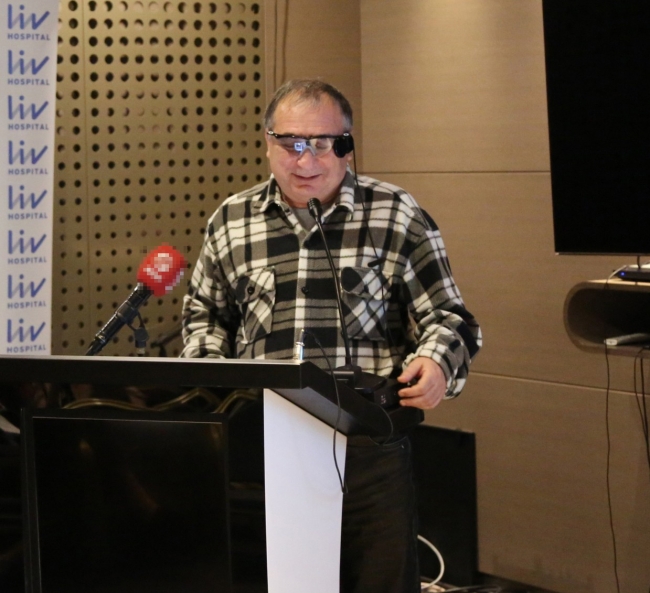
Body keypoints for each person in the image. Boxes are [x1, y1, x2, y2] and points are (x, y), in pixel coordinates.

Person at [181, 79, 482, 592]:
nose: (306, 160)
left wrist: (436, 362)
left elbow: (451, 318)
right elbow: (205, 316)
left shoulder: (394, 213)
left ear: (346, 146)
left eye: (322, 144)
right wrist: (210, 378)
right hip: (262, 446)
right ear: (267, 143)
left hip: (369, 446)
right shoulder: (231, 220)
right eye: (291, 143)